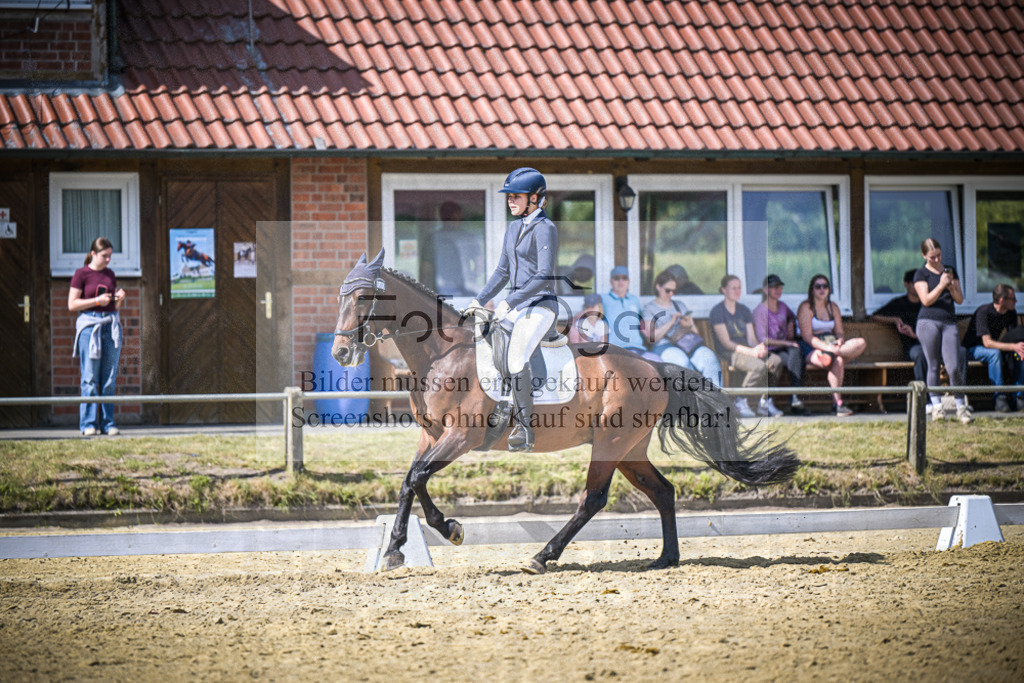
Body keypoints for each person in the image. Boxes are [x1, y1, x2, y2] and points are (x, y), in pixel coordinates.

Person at [465, 168, 558, 452]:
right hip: (516, 305)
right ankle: (500, 407)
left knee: (516, 355)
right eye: (509, 196)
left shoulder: (545, 228)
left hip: (540, 305)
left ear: (535, 198)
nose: (510, 201)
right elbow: (502, 271)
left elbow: (544, 275)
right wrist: (479, 300)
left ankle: (524, 430)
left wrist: (510, 301)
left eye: (516, 196)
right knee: (488, 345)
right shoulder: (514, 228)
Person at [872, 268, 966, 394]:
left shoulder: (931, 303)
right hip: (914, 347)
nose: (919, 286)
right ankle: (923, 396)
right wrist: (894, 320)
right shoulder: (900, 303)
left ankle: (960, 394)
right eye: (915, 283)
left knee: (961, 352)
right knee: (921, 354)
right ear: (907, 284)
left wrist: (915, 334)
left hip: (937, 344)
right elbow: (874, 316)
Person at [68, 237, 126, 437]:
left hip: (110, 325)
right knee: (90, 378)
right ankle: (88, 424)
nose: (108, 259)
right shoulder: (81, 274)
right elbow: (72, 304)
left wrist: (119, 299)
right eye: (104, 255)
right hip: (89, 327)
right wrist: (97, 301)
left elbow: (113, 306)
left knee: (109, 378)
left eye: (110, 256)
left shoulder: (110, 274)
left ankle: (108, 423)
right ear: (93, 254)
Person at [913, 238, 972, 424]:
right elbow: (926, 300)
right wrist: (940, 285)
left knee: (953, 366)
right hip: (928, 321)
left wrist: (952, 287)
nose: (937, 260)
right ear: (924, 256)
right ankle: (937, 406)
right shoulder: (921, 274)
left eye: (939, 255)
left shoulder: (950, 270)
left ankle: (961, 407)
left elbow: (960, 299)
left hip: (948, 322)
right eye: (932, 257)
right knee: (933, 364)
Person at [709, 275, 784, 418]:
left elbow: (751, 338)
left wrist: (759, 347)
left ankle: (765, 402)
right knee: (758, 366)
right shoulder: (717, 312)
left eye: (739, 288)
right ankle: (740, 401)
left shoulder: (744, 310)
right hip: (729, 352)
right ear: (724, 290)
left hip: (747, 350)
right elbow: (726, 343)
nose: (737, 291)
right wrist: (751, 352)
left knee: (775, 361)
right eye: (733, 288)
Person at [796, 274, 867, 417]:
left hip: (832, 343)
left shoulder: (833, 307)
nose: (822, 289)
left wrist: (839, 341)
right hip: (812, 345)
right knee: (835, 360)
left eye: (825, 286)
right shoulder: (806, 307)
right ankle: (838, 404)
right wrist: (828, 348)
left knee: (860, 343)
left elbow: (839, 332)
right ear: (812, 290)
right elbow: (807, 337)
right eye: (818, 286)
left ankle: (837, 404)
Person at [642, 269, 721, 385]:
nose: (671, 294)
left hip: (686, 344)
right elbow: (651, 338)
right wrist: (671, 322)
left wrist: (690, 325)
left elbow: (696, 333)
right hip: (663, 346)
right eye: (668, 290)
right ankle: (695, 395)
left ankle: (716, 394)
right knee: (682, 363)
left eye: (674, 291)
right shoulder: (649, 308)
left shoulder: (679, 305)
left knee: (709, 358)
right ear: (658, 287)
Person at [752, 274, 809, 416]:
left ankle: (795, 397)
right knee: (791, 356)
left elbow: (792, 316)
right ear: (766, 290)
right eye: (774, 287)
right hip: (769, 351)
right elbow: (763, 339)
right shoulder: (760, 311)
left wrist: (790, 323)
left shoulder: (782, 306)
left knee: (796, 352)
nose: (778, 289)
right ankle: (788, 399)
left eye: (780, 286)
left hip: (784, 349)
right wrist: (787, 342)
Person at [962, 284, 1024, 412]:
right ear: (1002, 300)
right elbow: (987, 343)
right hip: (973, 350)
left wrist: (1018, 349)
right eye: (1013, 299)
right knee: (994, 353)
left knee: (1020, 355)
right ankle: (999, 398)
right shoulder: (983, 312)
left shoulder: (1011, 313)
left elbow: (1013, 337)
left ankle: (1018, 396)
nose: (1016, 301)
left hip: (994, 349)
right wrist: (1013, 346)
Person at [600, 266, 662, 362]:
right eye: (617, 278)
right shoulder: (603, 299)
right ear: (611, 281)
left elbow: (642, 323)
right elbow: (587, 314)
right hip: (616, 349)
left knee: (658, 362)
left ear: (628, 281)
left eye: (624, 278)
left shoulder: (634, 299)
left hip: (638, 347)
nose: (621, 281)